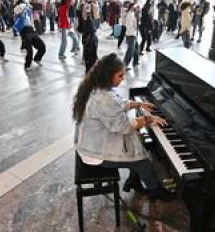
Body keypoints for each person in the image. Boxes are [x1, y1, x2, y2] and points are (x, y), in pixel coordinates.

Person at [73, 53, 173, 200]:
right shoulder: (103, 98)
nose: (123, 79)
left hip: (91, 142)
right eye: (120, 76)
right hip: (94, 153)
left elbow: (118, 102)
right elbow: (124, 126)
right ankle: (155, 191)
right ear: (108, 75)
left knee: (137, 145)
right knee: (144, 162)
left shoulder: (97, 87)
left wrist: (139, 104)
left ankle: (133, 181)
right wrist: (149, 118)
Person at [13, 0, 46, 71]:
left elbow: (31, 15)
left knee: (42, 46)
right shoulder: (16, 10)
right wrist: (20, 14)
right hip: (24, 31)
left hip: (31, 29)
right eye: (22, 4)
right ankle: (27, 66)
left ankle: (37, 59)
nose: (23, 5)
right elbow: (17, 17)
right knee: (29, 50)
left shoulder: (27, 9)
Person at [82, 5, 98, 73]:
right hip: (91, 43)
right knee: (91, 57)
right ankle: (90, 70)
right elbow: (93, 30)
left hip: (88, 43)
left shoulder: (86, 20)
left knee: (88, 57)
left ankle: (88, 69)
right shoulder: (90, 20)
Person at [124, 2, 139, 70]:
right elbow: (129, 26)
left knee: (136, 49)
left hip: (133, 34)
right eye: (134, 7)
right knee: (130, 51)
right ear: (131, 8)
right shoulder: (129, 15)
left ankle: (135, 62)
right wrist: (133, 33)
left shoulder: (132, 13)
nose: (136, 9)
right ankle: (124, 66)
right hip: (131, 35)